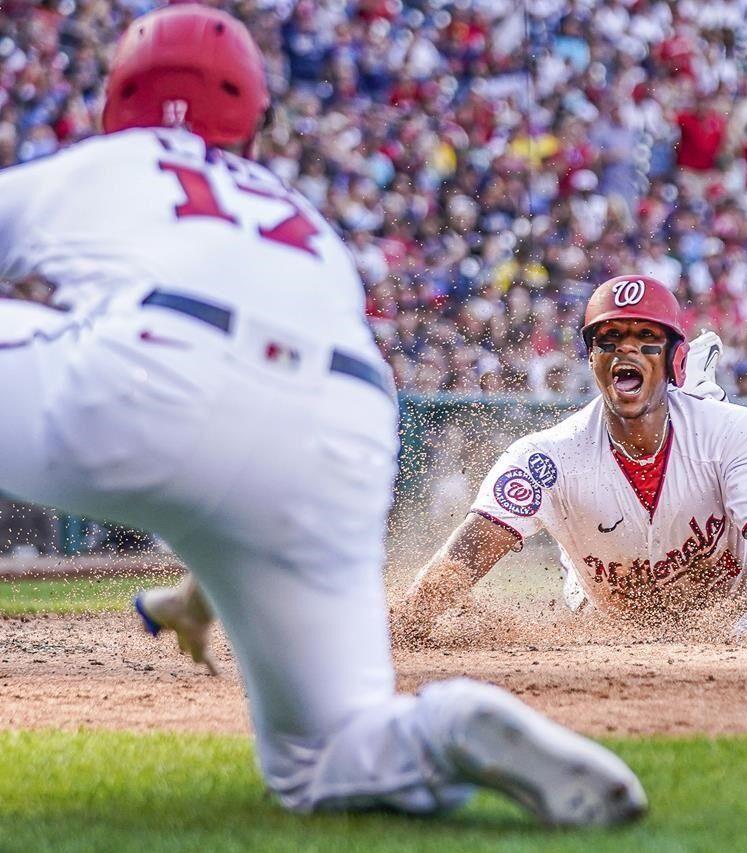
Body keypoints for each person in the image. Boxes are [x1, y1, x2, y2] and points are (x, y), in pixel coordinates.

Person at [0, 6, 644, 825]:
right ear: (252, 120)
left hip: (149, 367)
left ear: (120, 98)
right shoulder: (299, 216)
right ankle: (443, 726)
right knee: (322, 757)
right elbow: (235, 448)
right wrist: (197, 600)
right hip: (341, 426)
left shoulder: (102, 164)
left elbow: (196, 405)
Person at [397, 275, 747, 645]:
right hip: (610, 629)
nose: (625, 349)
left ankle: (694, 383)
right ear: (593, 360)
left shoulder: (733, 430)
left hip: (731, 613)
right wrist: (406, 622)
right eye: (608, 340)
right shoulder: (547, 456)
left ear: (673, 360)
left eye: (646, 338)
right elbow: (471, 548)